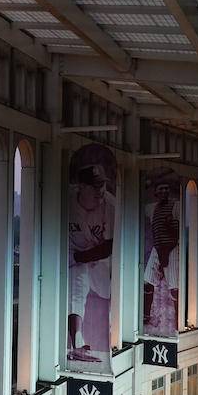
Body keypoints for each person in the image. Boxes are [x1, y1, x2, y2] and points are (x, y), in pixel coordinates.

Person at [66, 149, 115, 363]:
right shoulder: (67, 199)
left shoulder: (109, 206)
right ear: (80, 187)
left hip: (97, 256)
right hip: (72, 252)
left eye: (102, 185)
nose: (99, 190)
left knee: (106, 294)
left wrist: (80, 258)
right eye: (94, 186)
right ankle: (77, 343)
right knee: (76, 293)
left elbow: (109, 247)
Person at [144, 170, 180, 334]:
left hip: (172, 248)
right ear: (156, 193)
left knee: (174, 287)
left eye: (167, 188)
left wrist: (172, 225)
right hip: (158, 248)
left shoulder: (176, 205)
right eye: (161, 189)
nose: (164, 191)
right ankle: (145, 315)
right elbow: (140, 204)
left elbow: (178, 229)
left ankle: (178, 317)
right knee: (147, 281)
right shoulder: (152, 208)